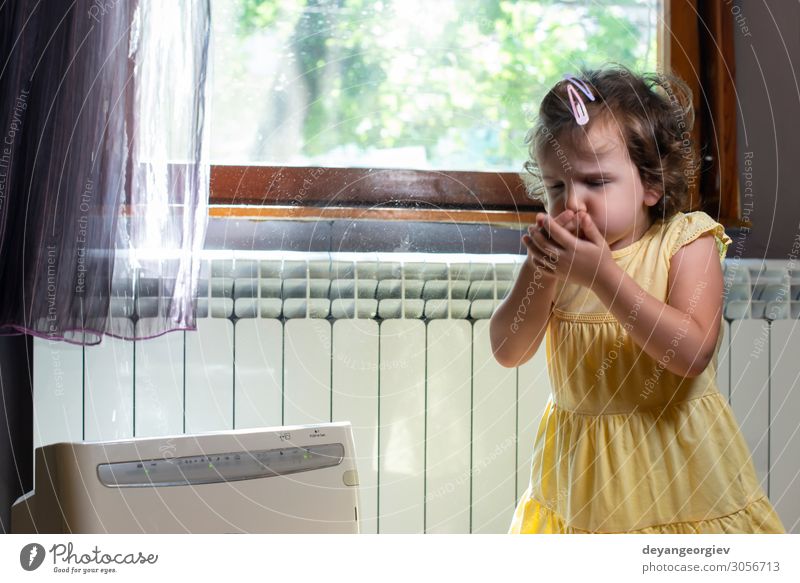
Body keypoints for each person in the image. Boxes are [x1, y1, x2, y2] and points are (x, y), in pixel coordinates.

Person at [490, 64, 786, 534]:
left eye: (596, 181)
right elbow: (508, 351)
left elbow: (690, 353)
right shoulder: (558, 262)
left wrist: (602, 276)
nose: (573, 204)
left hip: (678, 475)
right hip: (584, 483)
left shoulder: (687, 243)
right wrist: (539, 271)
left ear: (650, 183)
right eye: (557, 187)